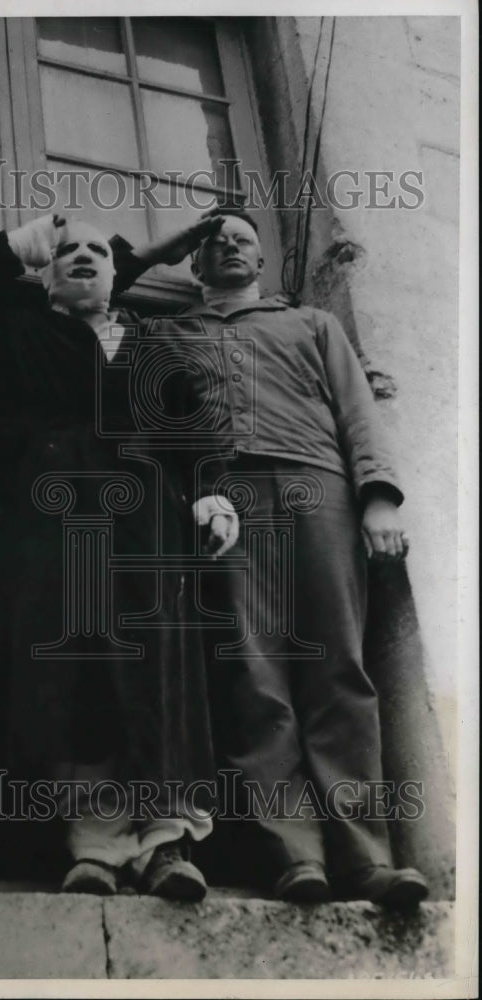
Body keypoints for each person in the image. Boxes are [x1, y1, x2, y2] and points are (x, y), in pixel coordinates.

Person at [0, 213, 238, 900]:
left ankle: (166, 845)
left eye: (99, 250)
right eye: (67, 251)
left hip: (146, 522)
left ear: (120, 272)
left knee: (154, 671)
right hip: (50, 516)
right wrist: (17, 241)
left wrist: (211, 497)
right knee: (77, 673)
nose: (85, 258)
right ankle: (93, 843)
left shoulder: (153, 346)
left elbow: (198, 435)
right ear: (44, 272)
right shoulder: (13, 331)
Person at [146, 207, 430, 907]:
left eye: (243, 238)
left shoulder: (310, 324)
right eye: (215, 241)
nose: (230, 247)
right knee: (254, 672)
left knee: (337, 666)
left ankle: (365, 858)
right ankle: (293, 853)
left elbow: (358, 410)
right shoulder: (169, 335)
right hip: (226, 502)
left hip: (318, 490)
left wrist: (379, 498)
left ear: (262, 261)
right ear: (194, 263)